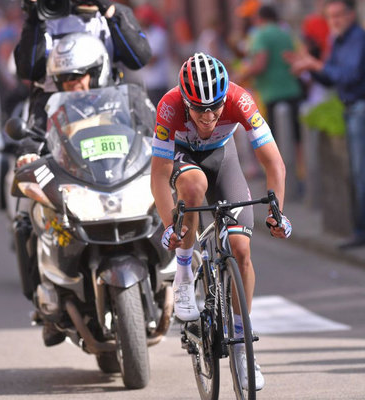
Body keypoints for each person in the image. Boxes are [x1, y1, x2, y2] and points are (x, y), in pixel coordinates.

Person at [150, 52, 292, 391]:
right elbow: (158, 176)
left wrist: (277, 212)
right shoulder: (168, 107)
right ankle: (184, 274)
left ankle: (244, 351)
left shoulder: (240, 100)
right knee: (194, 187)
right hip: (185, 162)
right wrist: (171, 224)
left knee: (242, 249)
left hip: (222, 159)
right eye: (199, 109)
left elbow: (275, 164)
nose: (209, 116)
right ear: (186, 102)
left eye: (215, 107)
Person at [15, 32, 112, 347]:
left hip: (113, 178)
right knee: (27, 221)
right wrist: (29, 151)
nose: (73, 82)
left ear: (95, 72)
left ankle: (186, 274)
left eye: (78, 75)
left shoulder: (116, 95)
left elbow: (143, 127)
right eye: (65, 77)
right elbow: (31, 134)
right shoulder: (45, 103)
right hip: (71, 181)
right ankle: (47, 309)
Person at [285, 0, 365, 248]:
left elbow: (349, 76)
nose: (335, 21)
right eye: (331, 17)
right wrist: (311, 67)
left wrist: (315, 65)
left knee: (360, 175)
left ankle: (361, 232)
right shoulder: (339, 40)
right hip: (350, 110)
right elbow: (331, 77)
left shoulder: (357, 40)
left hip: (360, 109)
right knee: (355, 175)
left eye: (339, 15)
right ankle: (359, 231)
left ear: (351, 15)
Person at [14, 0, 151, 131]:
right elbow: (28, 71)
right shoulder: (43, 18)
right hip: (54, 118)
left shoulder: (106, 17)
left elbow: (138, 59)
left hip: (106, 111)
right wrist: (34, 17)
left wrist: (110, 11)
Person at [236, 5, 303, 149]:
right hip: (292, 88)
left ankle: (284, 169)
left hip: (272, 93)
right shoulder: (285, 33)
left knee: (277, 139)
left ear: (259, 18)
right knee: (296, 137)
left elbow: (260, 64)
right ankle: (301, 169)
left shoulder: (261, 35)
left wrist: (241, 76)